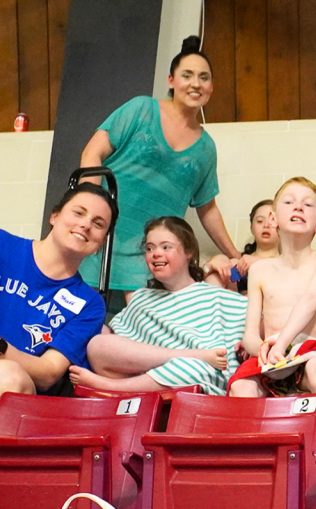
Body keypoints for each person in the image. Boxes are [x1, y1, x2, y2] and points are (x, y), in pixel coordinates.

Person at [79, 36, 242, 313]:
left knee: (133, 338)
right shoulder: (140, 109)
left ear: (211, 88)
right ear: (171, 81)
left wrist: (235, 254)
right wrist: (91, 219)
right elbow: (91, 156)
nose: (195, 83)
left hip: (150, 259)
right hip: (102, 244)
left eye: (204, 78)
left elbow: (207, 208)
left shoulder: (206, 149)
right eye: (187, 75)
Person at [68, 217, 247, 396]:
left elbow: (230, 359)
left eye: (166, 247)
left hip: (193, 376)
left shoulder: (218, 297)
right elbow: (118, 346)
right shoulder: (141, 299)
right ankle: (189, 355)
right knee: (98, 343)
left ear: (188, 251)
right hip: (143, 376)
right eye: (149, 248)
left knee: (193, 367)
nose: (155, 253)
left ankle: (109, 388)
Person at [228, 177, 316, 402]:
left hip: (312, 353)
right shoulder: (260, 269)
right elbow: (249, 334)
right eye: (289, 202)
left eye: (308, 205)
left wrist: (282, 344)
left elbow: (312, 299)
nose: (298, 206)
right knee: (241, 386)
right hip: (271, 358)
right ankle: (254, 438)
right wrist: (264, 349)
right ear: (273, 218)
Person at [0, 183, 115, 396]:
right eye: (79, 213)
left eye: (98, 224)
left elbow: (49, 373)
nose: (85, 225)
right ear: (54, 216)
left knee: (8, 375)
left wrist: (2, 349)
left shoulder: (90, 304)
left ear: (101, 243)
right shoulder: (3, 245)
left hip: (16, 394)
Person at [205, 199, 279, 293]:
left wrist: (260, 262)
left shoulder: (291, 265)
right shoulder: (236, 263)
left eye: (273, 221)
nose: (266, 225)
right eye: (260, 221)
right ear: (251, 228)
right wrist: (211, 266)